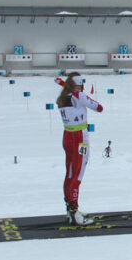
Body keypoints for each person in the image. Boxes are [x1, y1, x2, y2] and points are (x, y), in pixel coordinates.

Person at [56, 72, 104, 225]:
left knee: (70, 173)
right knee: (77, 174)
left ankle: (70, 210)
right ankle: (75, 212)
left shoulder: (63, 97)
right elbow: (99, 107)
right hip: (79, 138)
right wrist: (82, 95)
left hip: (67, 136)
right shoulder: (78, 95)